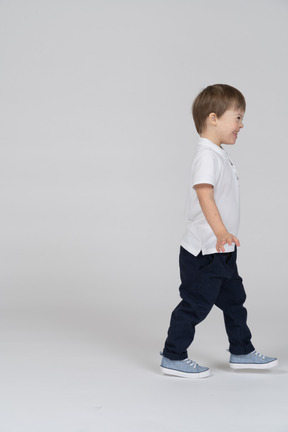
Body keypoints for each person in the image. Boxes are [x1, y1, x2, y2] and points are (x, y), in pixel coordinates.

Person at [160, 84, 278, 378]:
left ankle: (242, 351)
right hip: (204, 252)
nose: (241, 125)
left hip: (222, 251)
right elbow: (205, 195)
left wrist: (225, 241)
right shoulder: (207, 156)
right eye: (237, 118)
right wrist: (222, 231)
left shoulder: (218, 153)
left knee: (235, 302)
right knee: (195, 305)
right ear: (213, 118)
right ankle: (173, 355)